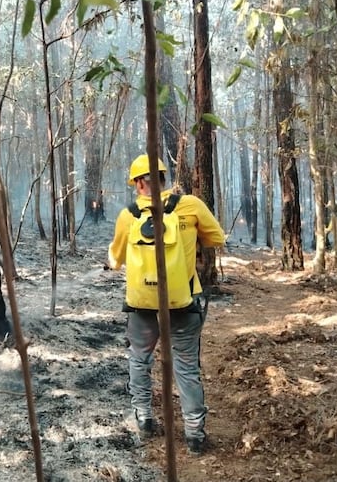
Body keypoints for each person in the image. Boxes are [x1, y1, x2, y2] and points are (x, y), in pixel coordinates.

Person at [107, 154, 225, 455]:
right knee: (186, 367)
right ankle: (195, 435)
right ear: (163, 179)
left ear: (138, 184)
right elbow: (216, 238)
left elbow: (115, 261)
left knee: (139, 360)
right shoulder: (190, 205)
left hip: (142, 307)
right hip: (183, 304)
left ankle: (144, 419)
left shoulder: (128, 215)